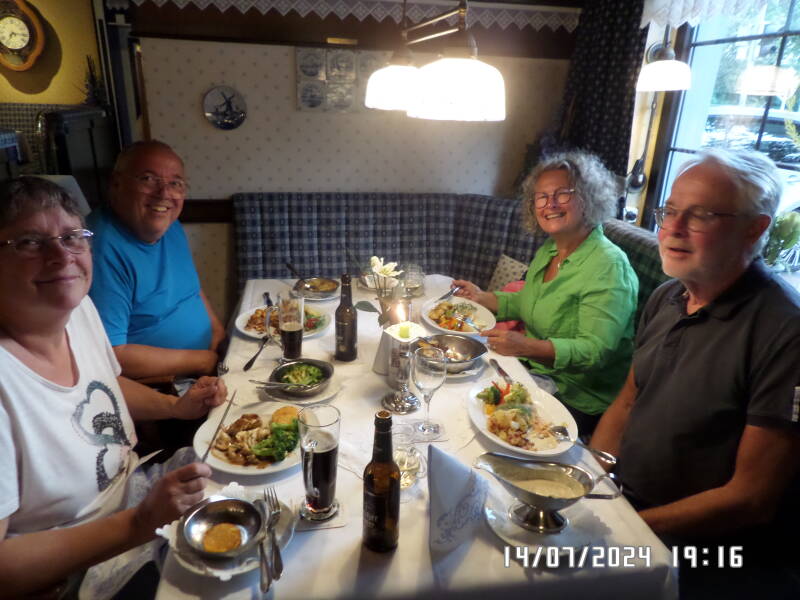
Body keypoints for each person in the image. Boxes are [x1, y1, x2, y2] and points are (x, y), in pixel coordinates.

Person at [0, 177, 227, 597]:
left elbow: (105, 387)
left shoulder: (78, 310)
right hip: (78, 570)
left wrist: (176, 408)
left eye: (72, 236)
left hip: (138, 490)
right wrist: (139, 523)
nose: (61, 255)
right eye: (30, 242)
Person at [590, 149, 800, 597]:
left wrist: (625, 527)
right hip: (627, 504)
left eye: (701, 215)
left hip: (710, 552)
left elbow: (751, 498)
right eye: (670, 211)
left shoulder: (786, 332)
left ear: (755, 228)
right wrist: (592, 485)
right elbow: (627, 403)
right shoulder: (668, 296)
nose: (672, 229)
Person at [452, 151, 638, 435]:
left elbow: (595, 351)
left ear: (588, 198)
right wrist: (481, 297)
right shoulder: (551, 249)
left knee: (476, 420)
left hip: (578, 397)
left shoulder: (609, 266)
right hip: (535, 373)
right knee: (459, 389)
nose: (550, 204)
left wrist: (526, 347)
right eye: (541, 196)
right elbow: (529, 301)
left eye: (562, 194)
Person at [88, 140, 226, 380]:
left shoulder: (170, 226)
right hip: (166, 385)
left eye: (175, 183)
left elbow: (192, 290)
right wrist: (203, 361)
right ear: (117, 183)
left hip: (206, 365)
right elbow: (113, 355)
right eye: (148, 179)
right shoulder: (99, 248)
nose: (164, 194)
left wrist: (218, 333)